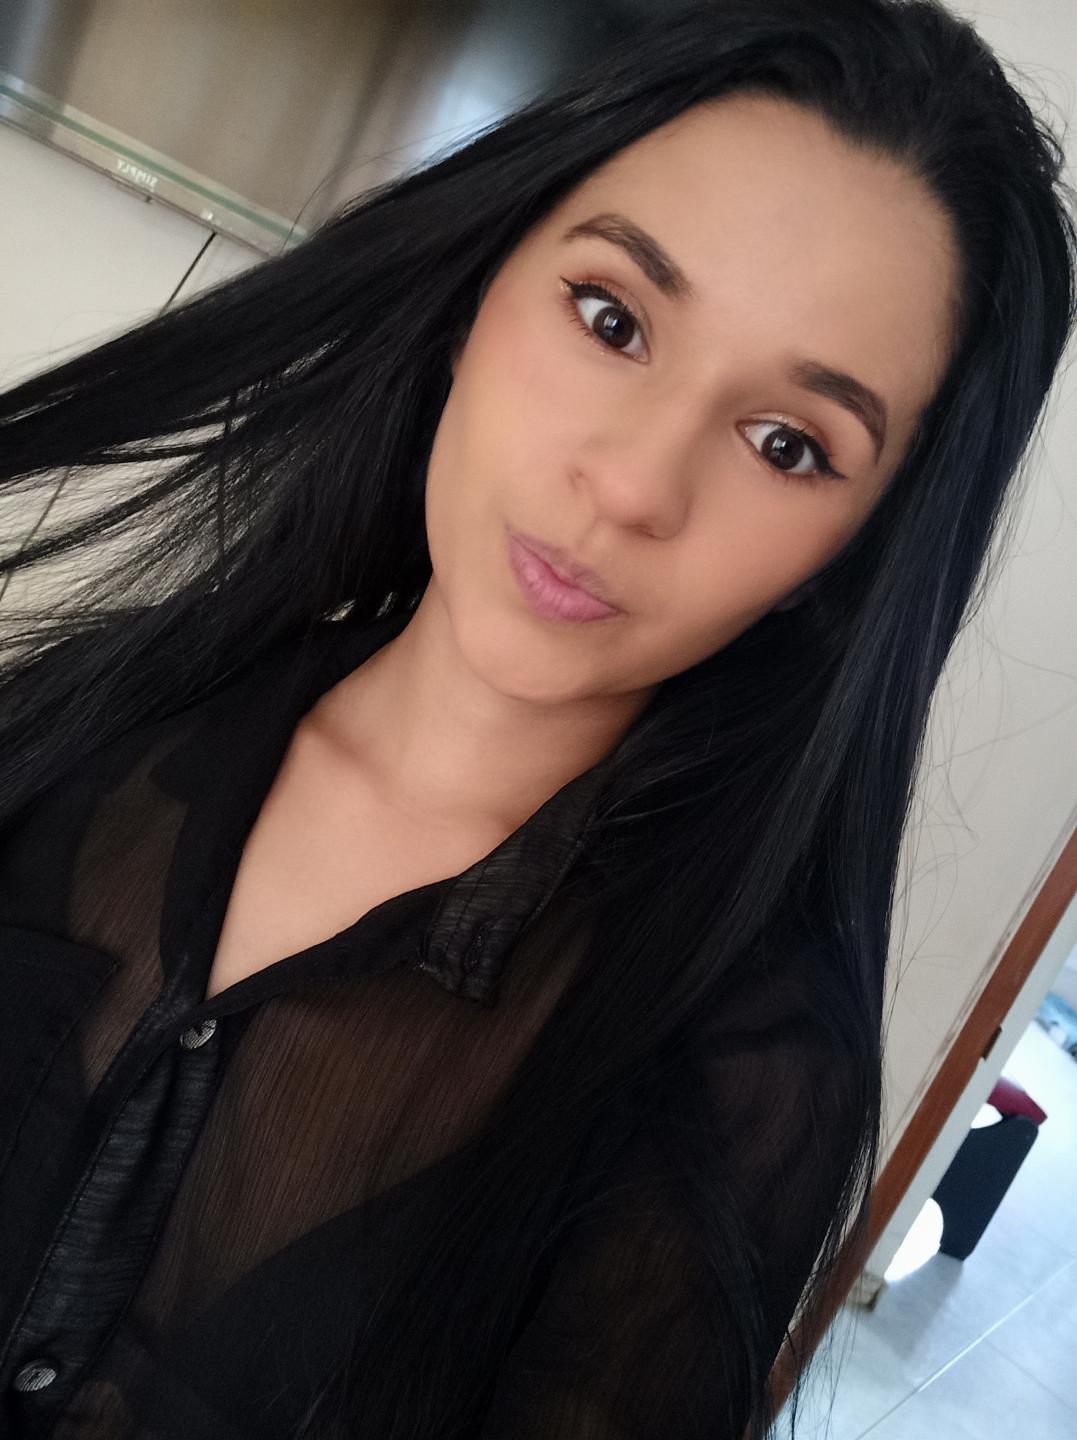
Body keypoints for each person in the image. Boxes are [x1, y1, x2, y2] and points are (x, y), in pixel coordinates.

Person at [0, 0, 1073, 1435]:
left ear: (855, 553)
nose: (632, 487)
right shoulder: (92, 722)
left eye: (787, 445)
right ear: (480, 292)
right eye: (611, 319)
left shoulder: (729, 1083)